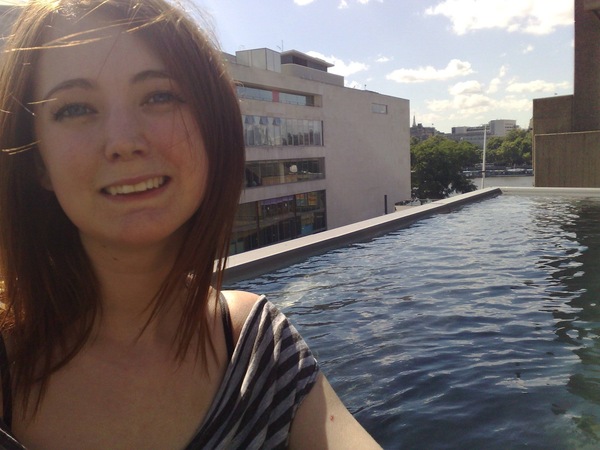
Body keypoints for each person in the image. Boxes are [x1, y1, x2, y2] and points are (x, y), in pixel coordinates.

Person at [0, 1, 381, 448]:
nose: (123, 141)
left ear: (212, 129)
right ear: (37, 161)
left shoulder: (260, 347)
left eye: (159, 96)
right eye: (75, 108)